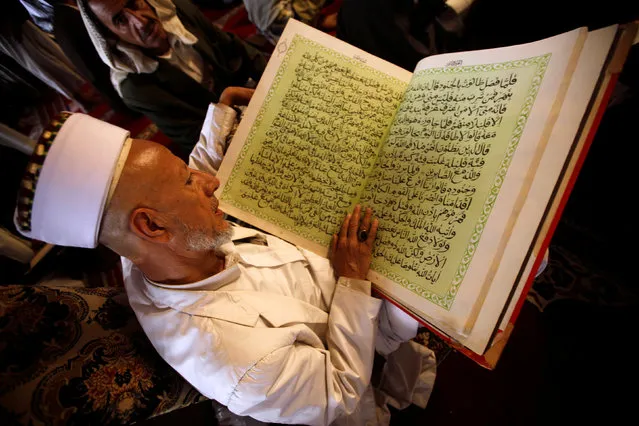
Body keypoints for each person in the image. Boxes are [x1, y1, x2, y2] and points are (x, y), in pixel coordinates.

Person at [13, 90, 436, 425]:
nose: (210, 182)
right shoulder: (239, 362)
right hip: (362, 340)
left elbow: (179, 177)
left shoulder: (143, 250)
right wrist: (352, 281)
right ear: (154, 227)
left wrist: (223, 112)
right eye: (188, 182)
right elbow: (339, 392)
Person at [77, 0, 266, 158]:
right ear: (111, 36)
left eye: (134, 3)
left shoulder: (178, 11)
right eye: (120, 20)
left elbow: (234, 48)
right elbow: (198, 138)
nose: (140, 22)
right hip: (227, 139)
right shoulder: (136, 88)